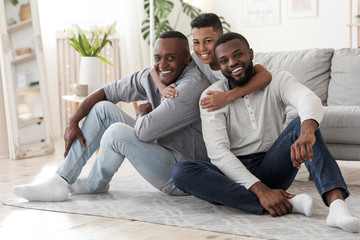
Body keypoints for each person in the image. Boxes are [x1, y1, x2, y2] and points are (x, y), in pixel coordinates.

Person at [171, 32, 360, 233]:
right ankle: (287, 203)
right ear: (218, 66)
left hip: (273, 165)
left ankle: (338, 207)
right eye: (224, 60)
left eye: (238, 55)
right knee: (182, 172)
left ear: (251, 53)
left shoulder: (277, 78)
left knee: (302, 124)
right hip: (234, 171)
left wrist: (308, 129)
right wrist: (260, 190)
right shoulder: (211, 97)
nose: (233, 63)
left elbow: (307, 98)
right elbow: (218, 153)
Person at [13, 31, 210, 202]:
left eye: (170, 58)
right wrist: (72, 120)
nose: (162, 65)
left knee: (117, 133)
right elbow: (108, 91)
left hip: (180, 175)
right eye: (157, 58)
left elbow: (145, 133)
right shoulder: (155, 74)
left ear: (187, 58)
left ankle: (93, 184)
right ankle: (61, 179)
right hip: (160, 150)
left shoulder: (191, 86)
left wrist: (141, 112)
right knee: (103, 109)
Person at [151, 13, 271, 111]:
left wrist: (226, 97)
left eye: (208, 41)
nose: (202, 48)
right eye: (196, 42)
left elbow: (265, 76)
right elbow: (152, 70)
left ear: (221, 39)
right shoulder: (195, 58)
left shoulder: (233, 63)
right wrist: (163, 89)